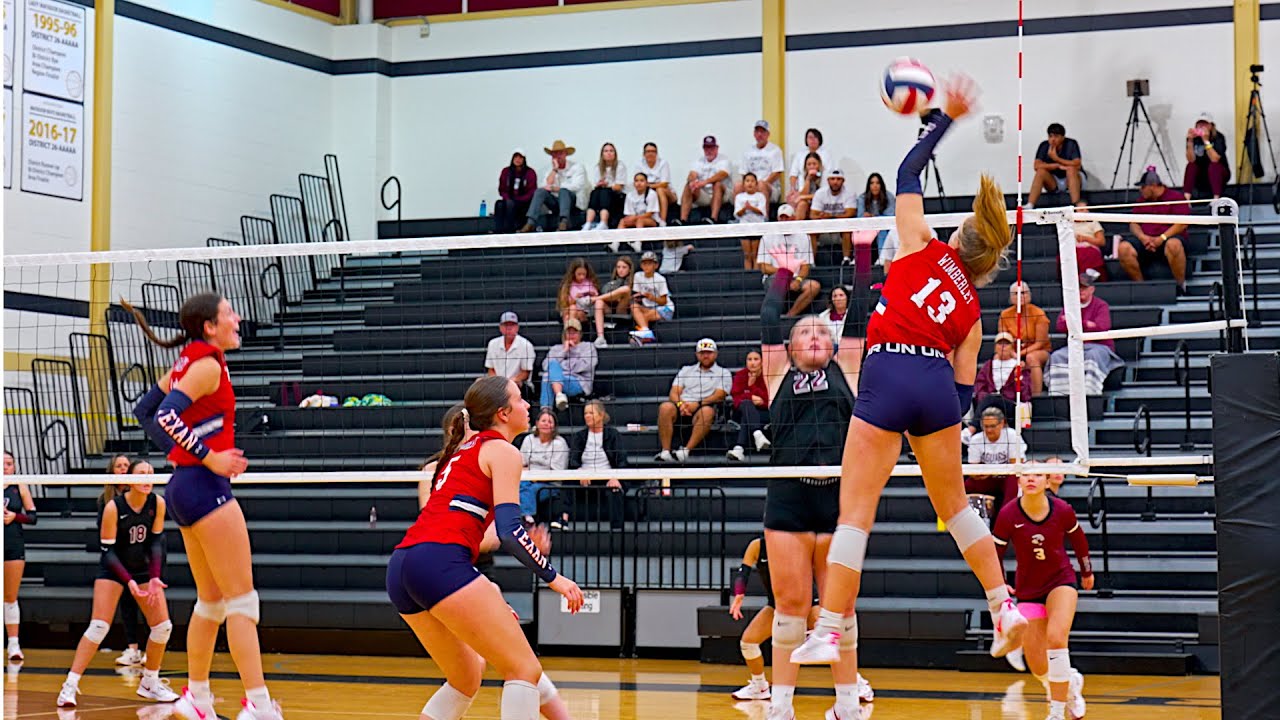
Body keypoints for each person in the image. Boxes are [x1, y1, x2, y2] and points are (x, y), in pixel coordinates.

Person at [793, 78, 1029, 678]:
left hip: (890, 366)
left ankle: (827, 627)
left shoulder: (918, 242)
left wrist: (942, 120)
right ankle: (1003, 608)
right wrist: (932, 427)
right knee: (954, 509)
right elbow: (962, 390)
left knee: (856, 511)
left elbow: (906, 171)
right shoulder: (974, 310)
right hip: (934, 390)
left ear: (955, 236)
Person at [388, 376, 584, 720]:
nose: (528, 406)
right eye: (521, 400)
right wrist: (556, 579)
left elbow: (477, 533)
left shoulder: (464, 451)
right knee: (524, 669)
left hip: (404, 565)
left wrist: (488, 591)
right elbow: (509, 532)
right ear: (503, 413)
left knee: (465, 677)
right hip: (439, 563)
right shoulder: (503, 451)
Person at [123, 292, 281, 720]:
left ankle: (197, 697)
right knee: (243, 603)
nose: (239, 318)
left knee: (211, 603)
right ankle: (259, 705)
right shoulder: (207, 365)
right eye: (231, 312)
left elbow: (145, 410)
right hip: (203, 485)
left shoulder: (187, 362)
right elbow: (166, 417)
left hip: (184, 487)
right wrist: (207, 457)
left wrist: (186, 459)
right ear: (210, 326)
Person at [753, 220, 867, 719]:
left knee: (840, 610)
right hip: (790, 496)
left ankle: (845, 704)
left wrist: (862, 257)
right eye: (806, 331)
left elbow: (860, 315)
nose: (816, 334)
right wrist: (783, 274)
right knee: (791, 607)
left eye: (824, 330)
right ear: (792, 346)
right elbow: (768, 316)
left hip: (842, 497)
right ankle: (781, 707)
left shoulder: (852, 367)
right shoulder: (778, 372)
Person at [57, 480, 180, 707]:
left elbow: (155, 543)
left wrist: (153, 576)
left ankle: (150, 683)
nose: (147, 479)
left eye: (150, 474)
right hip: (114, 568)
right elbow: (108, 553)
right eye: (141, 474)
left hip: (142, 569)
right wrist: (128, 581)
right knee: (99, 626)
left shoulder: (157, 503)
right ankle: (69, 686)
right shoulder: (114, 507)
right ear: (131, 482)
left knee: (163, 627)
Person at [993, 471, 1093, 720]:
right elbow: (995, 552)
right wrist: (1000, 583)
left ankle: (1057, 712)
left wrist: (1086, 571)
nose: (1031, 479)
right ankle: (1069, 684)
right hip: (1028, 590)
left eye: (1038, 475)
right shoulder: (1008, 514)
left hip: (1061, 582)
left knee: (1056, 640)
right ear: (1018, 481)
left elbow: (1079, 540)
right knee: (1037, 665)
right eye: (1025, 475)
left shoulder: (1062, 510)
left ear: (1047, 482)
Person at [728, 537, 874, 706]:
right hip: (778, 605)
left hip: (808, 602)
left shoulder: (798, 542)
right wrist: (739, 594)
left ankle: (857, 683)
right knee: (748, 643)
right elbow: (743, 572)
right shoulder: (757, 546)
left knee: (829, 643)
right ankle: (759, 686)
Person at [655, 338, 732, 463]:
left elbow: (720, 395)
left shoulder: (724, 373)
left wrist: (697, 404)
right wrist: (681, 405)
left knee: (707, 412)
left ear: (715, 354)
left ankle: (686, 450)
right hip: (682, 406)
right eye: (702, 353)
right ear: (697, 354)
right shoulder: (686, 370)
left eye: (709, 352)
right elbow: (674, 392)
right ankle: (665, 451)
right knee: (665, 407)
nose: (705, 355)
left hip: (703, 407)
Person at [1047, 272, 1124, 396]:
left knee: (1093, 356)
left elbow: (1102, 326)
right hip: (1075, 346)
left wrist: (1075, 323)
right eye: (1078, 288)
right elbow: (1060, 326)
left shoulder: (1101, 305)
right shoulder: (1069, 306)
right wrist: (1087, 324)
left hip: (1099, 346)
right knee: (1057, 356)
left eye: (1084, 287)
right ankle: (1059, 393)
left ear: (1092, 289)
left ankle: (1090, 392)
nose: (1080, 291)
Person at [103, 454, 148, 668]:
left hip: (141, 559)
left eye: (126, 466)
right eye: (118, 466)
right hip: (119, 561)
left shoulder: (149, 500)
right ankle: (132, 649)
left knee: (150, 605)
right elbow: (103, 537)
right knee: (126, 606)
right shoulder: (107, 503)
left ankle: (150, 649)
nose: (122, 469)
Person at [1121, 167, 1191, 293]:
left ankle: (1180, 286)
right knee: (1123, 248)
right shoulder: (1141, 202)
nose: (1140, 190)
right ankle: (1141, 287)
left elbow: (1182, 223)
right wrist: (1142, 237)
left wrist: (1162, 238)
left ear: (1152, 186)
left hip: (1168, 238)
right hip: (1146, 240)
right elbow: (1133, 223)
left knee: (1173, 245)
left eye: (1143, 187)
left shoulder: (1176, 198)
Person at [568, 400, 628, 529]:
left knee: (615, 489)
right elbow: (573, 460)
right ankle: (562, 520)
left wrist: (614, 476)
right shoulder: (580, 436)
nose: (587, 416)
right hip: (585, 476)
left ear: (601, 415)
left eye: (591, 413)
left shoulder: (612, 434)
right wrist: (580, 472)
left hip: (607, 475)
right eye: (585, 413)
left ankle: (617, 529)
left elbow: (622, 460)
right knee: (565, 484)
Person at [757, 206, 821, 317]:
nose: (784, 221)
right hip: (775, 277)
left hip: (796, 277)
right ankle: (773, 316)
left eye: (787, 218)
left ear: (793, 218)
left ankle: (790, 315)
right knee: (773, 283)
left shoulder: (804, 237)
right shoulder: (767, 237)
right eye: (781, 218)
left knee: (814, 286)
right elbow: (763, 267)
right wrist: (785, 273)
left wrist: (798, 279)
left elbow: (806, 266)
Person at [964, 407, 1026, 519]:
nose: (989, 430)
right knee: (967, 485)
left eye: (992, 426)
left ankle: (1006, 517)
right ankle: (970, 519)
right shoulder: (976, 440)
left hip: (1007, 477)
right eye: (985, 426)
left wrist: (988, 471)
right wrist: (992, 472)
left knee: (1014, 480)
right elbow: (974, 471)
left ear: (1002, 423)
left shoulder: (1012, 436)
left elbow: (1016, 465)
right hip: (988, 478)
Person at [3, 451, 35, 662]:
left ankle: (13, 645)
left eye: (9, 464)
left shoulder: (19, 485)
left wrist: (15, 516)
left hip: (12, 544)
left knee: (10, 596)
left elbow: (33, 517)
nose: (5, 467)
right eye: (2, 464)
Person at [521, 140, 588, 233]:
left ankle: (564, 221)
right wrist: (555, 170)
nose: (557, 156)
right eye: (555, 154)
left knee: (564, 191)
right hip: (556, 203)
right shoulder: (550, 170)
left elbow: (578, 185)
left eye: (560, 153)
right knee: (540, 191)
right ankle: (530, 223)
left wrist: (558, 188)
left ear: (565, 154)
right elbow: (545, 186)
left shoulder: (577, 167)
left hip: (572, 202)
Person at [999, 282, 1051, 397]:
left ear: (1029, 295)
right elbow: (1003, 339)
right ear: (1010, 297)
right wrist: (1011, 353)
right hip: (1013, 351)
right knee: (998, 356)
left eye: (1023, 293)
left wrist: (1019, 354)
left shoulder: (1039, 314)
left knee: (1031, 358)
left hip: (1038, 351)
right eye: (1015, 294)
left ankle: (1036, 396)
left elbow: (1040, 343)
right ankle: (1003, 393)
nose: (1019, 297)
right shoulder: (1005, 315)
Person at [970, 332, 1032, 428]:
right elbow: (979, 386)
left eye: (1006, 344)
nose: (1003, 347)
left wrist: (1017, 378)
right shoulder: (988, 366)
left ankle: (972, 429)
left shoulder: (1019, 366)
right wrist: (985, 397)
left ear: (1012, 347)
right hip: (988, 403)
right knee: (990, 399)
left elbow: (1025, 395)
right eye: (1000, 344)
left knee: (993, 399)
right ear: (995, 347)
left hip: (1010, 404)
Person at [519, 408, 569, 525]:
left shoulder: (559, 443)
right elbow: (521, 464)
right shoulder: (529, 439)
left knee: (527, 489)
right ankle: (527, 517)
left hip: (550, 484)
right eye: (543, 421)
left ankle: (528, 518)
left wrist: (535, 475)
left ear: (554, 426)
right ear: (537, 423)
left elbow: (556, 473)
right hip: (528, 480)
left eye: (550, 422)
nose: (546, 424)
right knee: (521, 486)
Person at [540, 319, 598, 411]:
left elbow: (584, 366)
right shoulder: (556, 348)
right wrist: (564, 351)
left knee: (549, 374)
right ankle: (555, 401)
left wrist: (564, 363)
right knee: (548, 373)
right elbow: (546, 366)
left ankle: (546, 411)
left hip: (579, 382)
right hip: (560, 379)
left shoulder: (588, 347)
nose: (571, 335)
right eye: (569, 332)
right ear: (564, 334)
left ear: (580, 334)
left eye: (574, 332)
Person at [676, 135, 732, 226]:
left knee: (717, 184)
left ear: (716, 148)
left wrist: (704, 182)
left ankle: (713, 218)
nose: (709, 150)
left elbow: (722, 174)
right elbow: (692, 174)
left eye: (711, 148)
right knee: (688, 185)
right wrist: (693, 181)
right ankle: (682, 220)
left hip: (722, 195)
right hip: (705, 195)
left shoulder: (724, 160)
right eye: (706, 148)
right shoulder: (699, 161)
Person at [727, 350, 770, 462]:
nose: (752, 363)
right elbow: (736, 399)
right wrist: (751, 395)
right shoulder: (740, 375)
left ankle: (739, 448)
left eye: (756, 359)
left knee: (746, 416)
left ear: (762, 361)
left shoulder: (768, 375)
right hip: (742, 410)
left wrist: (751, 388)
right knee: (747, 404)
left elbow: (769, 399)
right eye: (749, 359)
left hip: (764, 412)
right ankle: (758, 434)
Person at [1026, 123, 1083, 207]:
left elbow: (1077, 164)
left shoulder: (1071, 144)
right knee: (1040, 172)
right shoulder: (1044, 146)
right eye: (1050, 136)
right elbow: (1036, 166)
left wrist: (1056, 158)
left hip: (1072, 178)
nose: (1053, 139)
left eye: (1056, 136)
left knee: (1071, 170)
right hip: (1054, 181)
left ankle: (1076, 205)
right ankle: (1030, 204)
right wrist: (1056, 165)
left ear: (1063, 137)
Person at [809, 169, 858, 263]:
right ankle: (811, 262)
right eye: (832, 179)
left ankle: (846, 259)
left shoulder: (849, 193)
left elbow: (850, 214)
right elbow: (812, 215)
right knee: (812, 232)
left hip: (841, 227)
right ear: (828, 181)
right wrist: (825, 217)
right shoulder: (820, 193)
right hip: (823, 227)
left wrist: (830, 216)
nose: (835, 182)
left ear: (843, 181)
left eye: (838, 179)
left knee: (847, 230)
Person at [485, 312, 536, 399]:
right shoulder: (492, 344)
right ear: (500, 328)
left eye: (512, 325)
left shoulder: (526, 345)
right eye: (505, 325)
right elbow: (491, 369)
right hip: (497, 383)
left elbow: (525, 372)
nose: (509, 328)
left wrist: (510, 382)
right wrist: (498, 383)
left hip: (519, 384)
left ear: (517, 327)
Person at [1183, 111, 1230, 199]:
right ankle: (1186, 199)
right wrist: (1190, 141)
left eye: (1204, 124)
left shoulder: (1218, 137)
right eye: (1199, 124)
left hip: (1219, 172)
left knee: (1214, 166)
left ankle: (1216, 198)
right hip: (1201, 173)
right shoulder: (1194, 138)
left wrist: (1206, 141)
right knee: (1191, 166)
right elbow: (1191, 159)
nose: (1201, 127)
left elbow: (1215, 159)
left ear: (1211, 126)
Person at [629, 251, 672, 344]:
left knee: (643, 317)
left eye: (649, 263)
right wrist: (637, 297)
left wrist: (651, 297)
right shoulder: (638, 276)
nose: (646, 266)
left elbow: (663, 301)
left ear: (656, 265)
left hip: (665, 308)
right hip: (648, 307)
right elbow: (637, 293)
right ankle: (646, 332)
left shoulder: (660, 279)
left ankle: (644, 336)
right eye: (644, 263)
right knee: (634, 306)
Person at [737, 120, 785, 202]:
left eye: (763, 132)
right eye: (757, 131)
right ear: (754, 134)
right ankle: (738, 213)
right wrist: (749, 185)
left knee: (761, 185)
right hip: (751, 184)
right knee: (737, 186)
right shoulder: (748, 151)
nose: (760, 134)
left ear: (768, 134)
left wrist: (758, 185)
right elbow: (744, 172)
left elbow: (777, 173)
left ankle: (764, 214)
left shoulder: (775, 150)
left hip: (770, 186)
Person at [593, 256, 634, 348]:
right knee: (599, 302)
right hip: (610, 308)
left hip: (623, 309)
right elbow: (607, 296)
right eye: (618, 267)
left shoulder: (634, 282)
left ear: (630, 269)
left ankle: (594, 298)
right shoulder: (610, 283)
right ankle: (600, 337)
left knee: (626, 289)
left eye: (624, 267)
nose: (621, 270)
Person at [584, 142, 627, 231]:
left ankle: (604, 222)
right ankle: (588, 223)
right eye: (606, 151)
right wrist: (600, 184)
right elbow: (596, 184)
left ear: (615, 154)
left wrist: (607, 185)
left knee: (604, 192)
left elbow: (619, 186)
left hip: (617, 195)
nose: (609, 153)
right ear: (602, 154)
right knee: (595, 193)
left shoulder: (620, 166)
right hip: (602, 192)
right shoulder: (598, 167)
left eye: (611, 151)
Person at [497, 150, 537, 234]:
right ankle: (499, 230)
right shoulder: (506, 171)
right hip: (510, 199)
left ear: (524, 159)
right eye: (516, 157)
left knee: (511, 204)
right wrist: (508, 198)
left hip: (524, 201)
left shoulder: (530, 172)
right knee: (499, 204)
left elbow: (532, 191)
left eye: (520, 157)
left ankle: (510, 230)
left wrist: (518, 199)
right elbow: (502, 189)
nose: (517, 159)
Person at [856, 172, 896, 257]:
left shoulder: (889, 197)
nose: (875, 186)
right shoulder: (862, 198)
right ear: (868, 185)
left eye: (877, 183)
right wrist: (869, 217)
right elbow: (860, 216)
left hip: (884, 226)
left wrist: (873, 217)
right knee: (860, 232)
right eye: (872, 183)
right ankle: (860, 260)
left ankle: (882, 258)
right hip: (867, 225)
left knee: (882, 230)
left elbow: (890, 216)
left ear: (881, 185)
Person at [634, 142, 676, 223]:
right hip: (648, 193)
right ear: (644, 154)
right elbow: (637, 180)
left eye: (653, 151)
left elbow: (664, 183)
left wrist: (648, 185)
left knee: (659, 190)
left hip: (668, 193)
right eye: (648, 151)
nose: (650, 154)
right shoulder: (639, 164)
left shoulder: (663, 163)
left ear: (656, 153)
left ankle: (663, 221)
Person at [735, 172, 769, 270]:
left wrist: (750, 207)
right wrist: (744, 209)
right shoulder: (739, 197)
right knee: (747, 255)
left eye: (752, 181)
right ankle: (748, 276)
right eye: (747, 181)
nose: (750, 183)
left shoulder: (760, 196)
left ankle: (755, 275)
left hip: (757, 227)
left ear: (756, 184)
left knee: (755, 255)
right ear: (743, 184)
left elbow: (762, 212)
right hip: (744, 228)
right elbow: (737, 214)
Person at [615, 173, 659, 251]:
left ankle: (638, 243)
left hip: (652, 220)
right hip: (635, 219)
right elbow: (629, 213)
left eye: (642, 181)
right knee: (622, 221)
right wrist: (630, 219)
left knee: (640, 220)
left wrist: (635, 217)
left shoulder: (652, 194)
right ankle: (615, 243)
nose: (639, 183)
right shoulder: (630, 195)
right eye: (636, 181)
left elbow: (650, 213)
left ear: (647, 183)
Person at [788, 128, 834, 201]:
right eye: (810, 137)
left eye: (815, 137)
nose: (813, 140)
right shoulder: (800, 154)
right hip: (803, 188)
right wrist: (793, 189)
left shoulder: (826, 154)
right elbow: (793, 173)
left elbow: (829, 174)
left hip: (821, 188)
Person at [1069, 201, 1108, 281]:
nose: (1085, 212)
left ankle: (1085, 281)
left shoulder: (1093, 223)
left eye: (1087, 210)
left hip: (1089, 247)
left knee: (1086, 255)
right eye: (1082, 210)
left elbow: (1102, 241)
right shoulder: (1069, 224)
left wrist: (1086, 238)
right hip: (1073, 248)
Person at [556, 257, 600, 327]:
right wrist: (575, 298)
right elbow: (564, 303)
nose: (582, 277)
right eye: (579, 274)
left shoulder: (590, 282)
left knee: (575, 313)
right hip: (570, 309)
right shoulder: (567, 285)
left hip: (586, 310)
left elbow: (596, 297)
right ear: (573, 273)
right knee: (571, 310)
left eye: (584, 274)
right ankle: (570, 330)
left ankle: (569, 331)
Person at [786, 153, 823, 221]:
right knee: (802, 204)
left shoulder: (824, 176)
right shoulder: (803, 177)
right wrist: (808, 179)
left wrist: (803, 197)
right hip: (808, 203)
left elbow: (822, 196)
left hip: (822, 204)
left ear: (819, 165)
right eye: (809, 164)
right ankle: (798, 230)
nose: (812, 167)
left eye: (814, 164)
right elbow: (803, 194)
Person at [817, 286, 854, 351]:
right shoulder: (822, 317)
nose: (838, 298)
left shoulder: (853, 315)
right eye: (835, 296)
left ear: (847, 298)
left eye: (841, 295)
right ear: (831, 299)